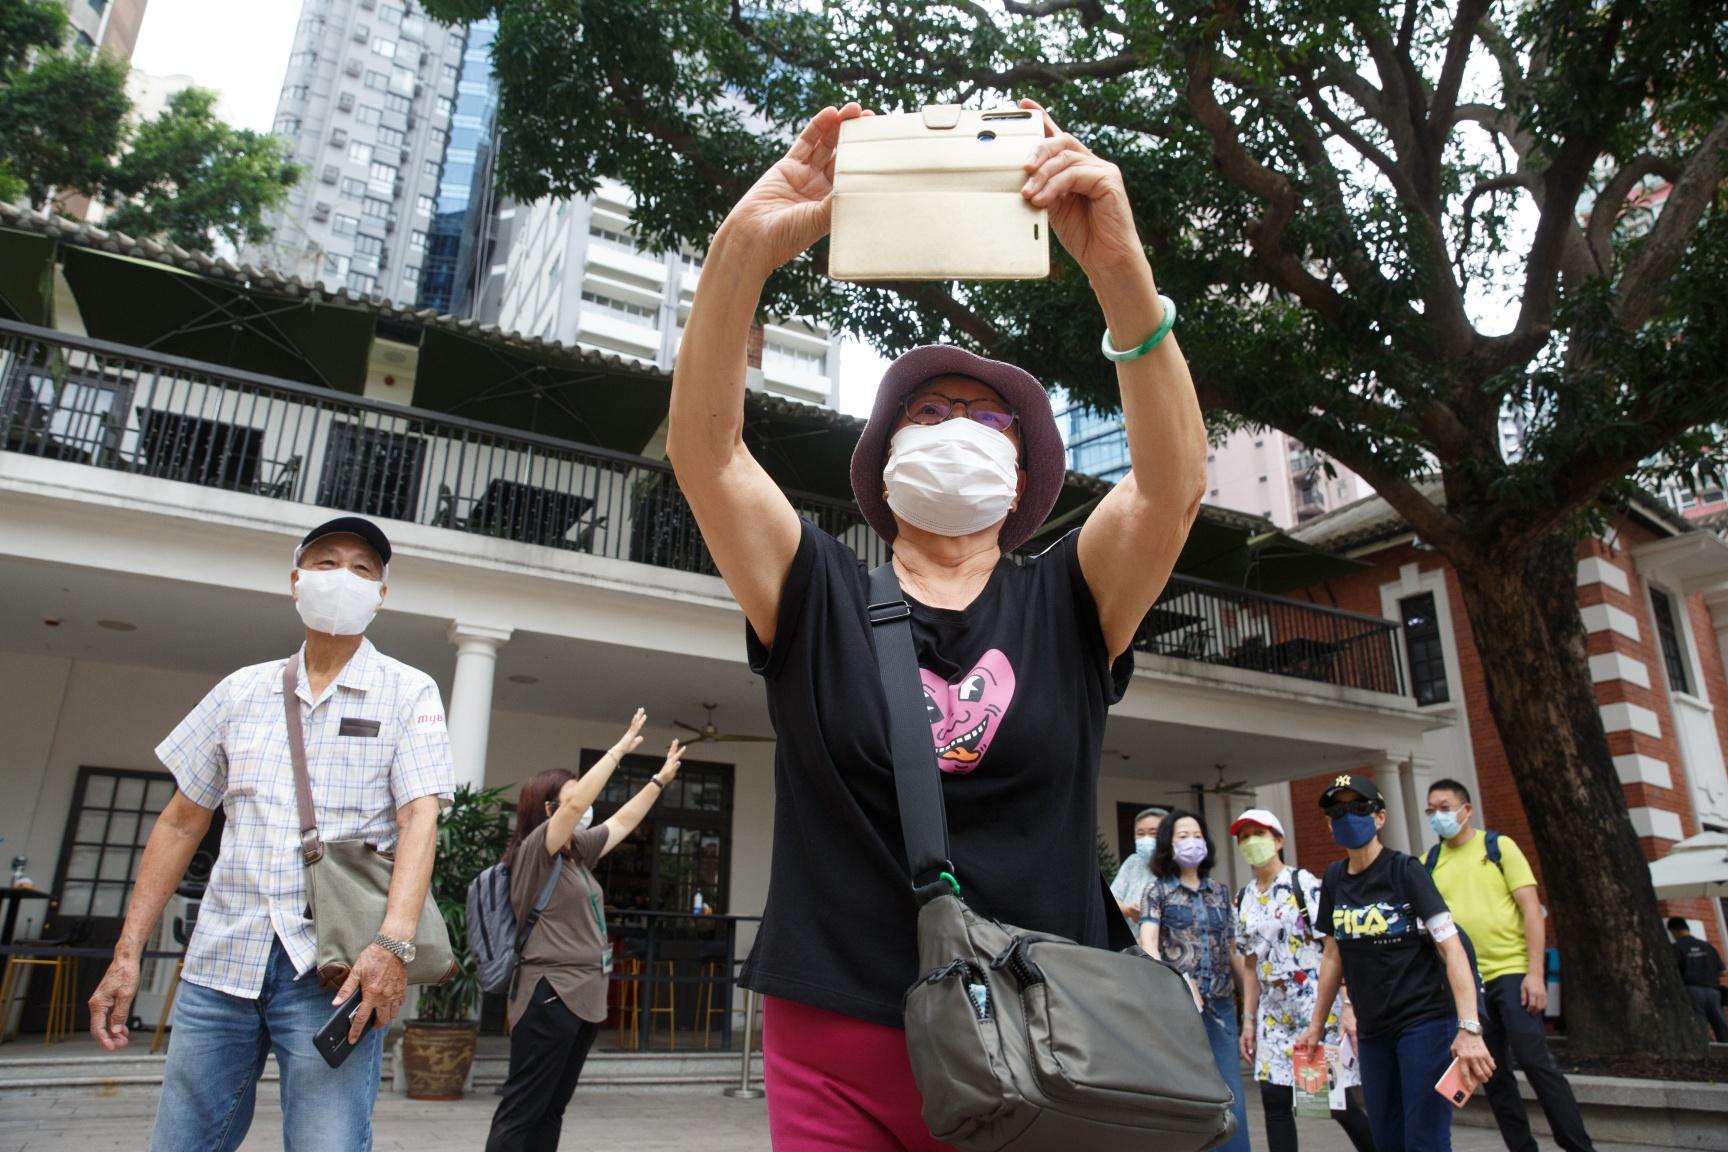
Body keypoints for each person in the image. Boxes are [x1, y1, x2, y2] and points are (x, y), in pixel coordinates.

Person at [665, 100, 1207, 1150]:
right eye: (925, 415)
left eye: (985, 419)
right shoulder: (813, 589)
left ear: (1019, 480)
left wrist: (1117, 267)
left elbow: (1172, 486)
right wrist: (747, 244)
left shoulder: (1069, 599)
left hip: (1053, 1056)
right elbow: (708, 452)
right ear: (880, 466)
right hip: (834, 1043)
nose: (954, 429)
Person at [87, 516, 454, 1152]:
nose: (344, 577)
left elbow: (420, 816)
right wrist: (127, 953)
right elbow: (181, 820)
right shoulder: (241, 691)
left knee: (327, 1144)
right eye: (326, 563)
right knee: (181, 1142)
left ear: (382, 594)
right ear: (295, 582)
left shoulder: (408, 690)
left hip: (335, 971)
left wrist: (392, 946)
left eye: (363, 569)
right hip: (218, 964)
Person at [485, 711, 686, 1152]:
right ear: (548, 808)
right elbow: (576, 808)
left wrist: (658, 781)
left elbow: (622, 823)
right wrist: (619, 749)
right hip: (549, 994)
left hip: (583, 996)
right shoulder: (538, 849)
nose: (586, 803)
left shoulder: (575, 852)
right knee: (522, 1108)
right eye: (576, 796)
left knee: (552, 1107)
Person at [1297, 774, 1495, 1152]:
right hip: (1372, 1030)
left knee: (1424, 1140)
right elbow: (1333, 955)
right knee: (1386, 1139)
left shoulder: (1406, 871)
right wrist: (1316, 1026)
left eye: (1359, 808)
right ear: (1328, 824)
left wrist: (1469, 1028)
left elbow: (1451, 949)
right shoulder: (1335, 879)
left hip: (1423, 1021)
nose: (1348, 817)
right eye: (1338, 811)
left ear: (1380, 818)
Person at [1425, 780, 1597, 1152]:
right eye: (1430, 811)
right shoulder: (1430, 863)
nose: (1437, 816)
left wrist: (1535, 974)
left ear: (1465, 810)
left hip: (1511, 972)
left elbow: (1531, 911)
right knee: (1494, 1076)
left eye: (1443, 807)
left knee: (1536, 1062)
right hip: (1472, 985)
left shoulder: (1498, 847)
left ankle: (1578, 1147)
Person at [1230, 809, 1375, 1152]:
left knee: (1332, 1102)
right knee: (1274, 1100)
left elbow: (1334, 948)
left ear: (1279, 840)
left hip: (1314, 1010)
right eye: (1244, 836)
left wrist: (1348, 1005)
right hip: (1271, 1016)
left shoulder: (1304, 884)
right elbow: (1250, 964)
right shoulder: (1244, 898)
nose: (1251, 842)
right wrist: (1248, 1021)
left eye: (1259, 834)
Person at [1139, 810, 1252, 1152]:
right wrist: (1177, 983)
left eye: (1197, 836)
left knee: (1232, 1099)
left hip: (1220, 1009)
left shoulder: (1220, 892)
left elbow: (1234, 952)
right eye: (1182, 836)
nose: (1192, 842)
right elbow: (1148, 943)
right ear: (1168, 845)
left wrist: (1249, 1011)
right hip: (1179, 1011)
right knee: (1187, 1101)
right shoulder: (1156, 892)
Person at [1669, 916, 1728, 1041]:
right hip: (1713, 992)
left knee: (1699, 1027)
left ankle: (1705, 1055)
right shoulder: (1708, 947)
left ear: (1673, 931)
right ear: (1687, 928)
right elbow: (1723, 971)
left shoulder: (1675, 948)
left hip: (1691, 991)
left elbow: (1672, 972)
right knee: (1721, 1025)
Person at [1111, 806, 1168, 920]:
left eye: (1153, 833)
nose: (1146, 839)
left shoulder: (1178, 865)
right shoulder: (1133, 862)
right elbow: (1112, 899)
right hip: (1129, 936)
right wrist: (1128, 910)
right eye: (1140, 834)